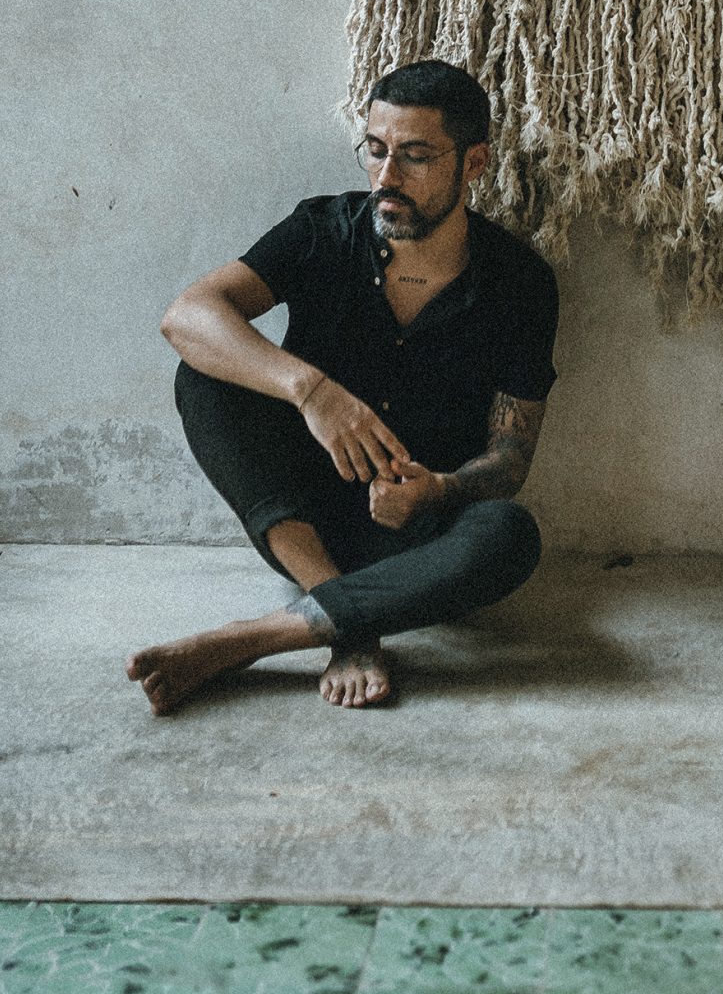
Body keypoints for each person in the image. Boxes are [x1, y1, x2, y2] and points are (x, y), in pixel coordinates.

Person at [125, 60, 557, 715]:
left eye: (415, 156)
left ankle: (254, 639)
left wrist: (437, 490)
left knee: (509, 534)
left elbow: (511, 458)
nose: (386, 177)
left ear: (473, 163)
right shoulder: (322, 230)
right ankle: (347, 622)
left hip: (413, 538)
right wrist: (312, 392)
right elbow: (187, 315)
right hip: (301, 521)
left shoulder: (521, 281)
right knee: (204, 374)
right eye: (376, 150)